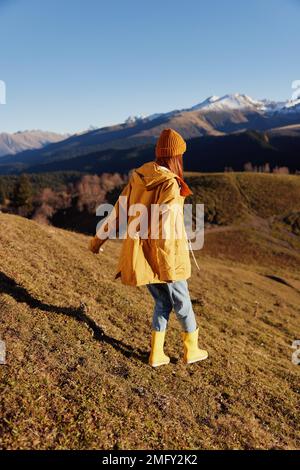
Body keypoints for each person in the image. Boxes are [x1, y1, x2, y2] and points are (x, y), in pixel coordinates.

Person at [89, 128, 208, 368]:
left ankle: (156, 354)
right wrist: (168, 267)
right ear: (176, 157)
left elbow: (118, 212)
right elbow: (165, 230)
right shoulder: (170, 185)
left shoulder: (139, 176)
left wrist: (97, 240)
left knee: (163, 302)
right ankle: (191, 349)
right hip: (166, 257)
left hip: (140, 255)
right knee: (182, 302)